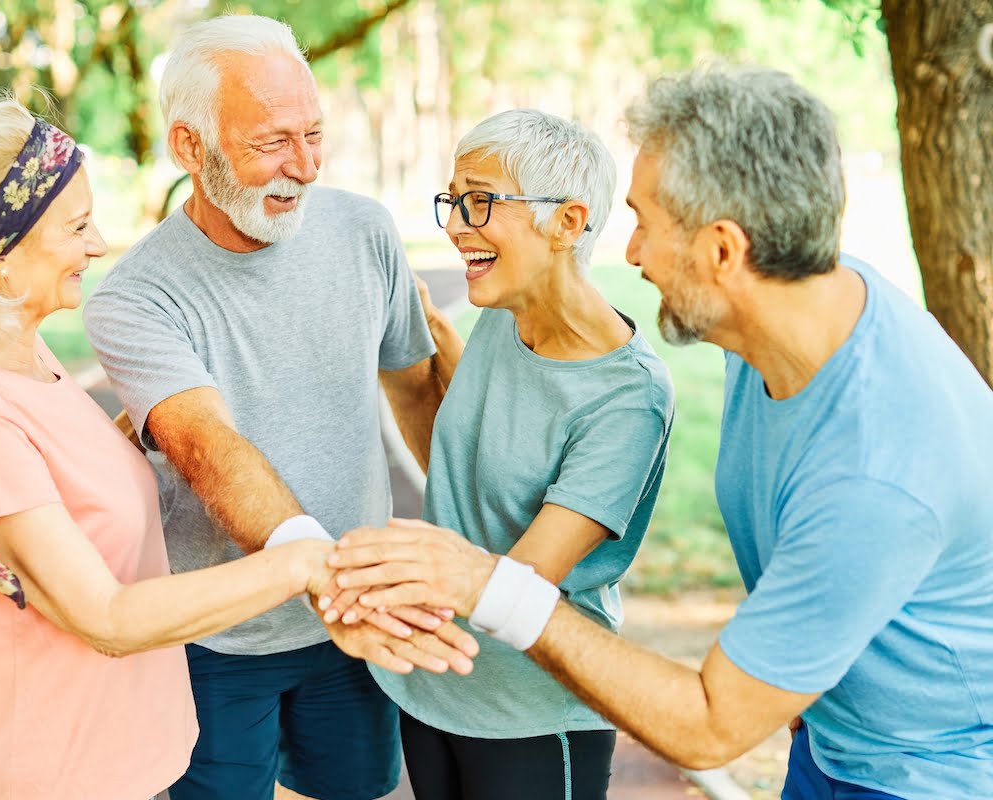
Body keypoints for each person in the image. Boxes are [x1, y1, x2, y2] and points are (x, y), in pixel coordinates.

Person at [325, 65, 993, 800]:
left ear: (723, 251)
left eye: (645, 223)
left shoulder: (875, 467)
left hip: (925, 778)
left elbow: (711, 725)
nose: (632, 252)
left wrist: (481, 582)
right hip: (831, 740)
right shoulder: (790, 314)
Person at [0, 99, 474, 800]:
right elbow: (106, 617)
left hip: (124, 753)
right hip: (61, 771)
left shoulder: (20, 354)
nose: (96, 244)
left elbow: (77, 475)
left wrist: (190, 399)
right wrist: (302, 560)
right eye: (75, 227)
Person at [81, 15, 457, 800]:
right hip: (215, 638)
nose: (306, 166)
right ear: (189, 146)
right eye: (272, 143)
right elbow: (204, 443)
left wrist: (460, 541)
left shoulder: (364, 231)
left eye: (314, 134)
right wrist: (320, 573)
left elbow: (415, 386)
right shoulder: (137, 296)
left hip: (351, 619)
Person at [324, 109, 673, 800]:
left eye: (480, 201)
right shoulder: (500, 316)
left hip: (533, 712)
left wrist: (366, 585)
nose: (455, 224)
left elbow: (524, 580)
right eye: (454, 199)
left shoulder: (626, 397)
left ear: (568, 223)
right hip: (436, 687)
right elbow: (458, 469)